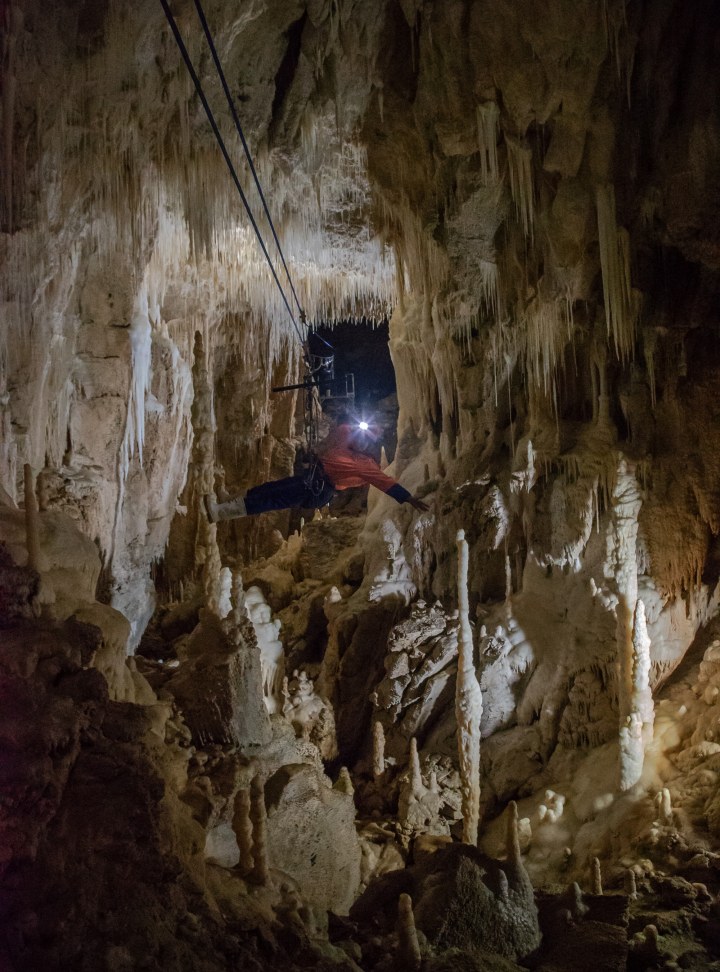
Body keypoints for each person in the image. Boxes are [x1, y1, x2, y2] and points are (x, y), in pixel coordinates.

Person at [203, 414, 429, 522]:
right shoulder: (346, 446)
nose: (363, 441)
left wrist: (407, 498)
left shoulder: (366, 465)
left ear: (370, 447)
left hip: (319, 488)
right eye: (362, 439)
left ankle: (221, 513)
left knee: (272, 499)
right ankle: (228, 502)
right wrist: (365, 428)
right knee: (268, 489)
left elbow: (385, 483)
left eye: (367, 441)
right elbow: (343, 429)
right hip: (312, 478)